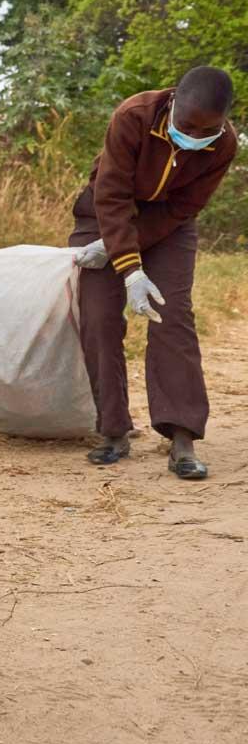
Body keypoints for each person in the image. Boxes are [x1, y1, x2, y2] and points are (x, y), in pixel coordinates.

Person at [69, 67, 237, 481]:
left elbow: (184, 208)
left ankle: (182, 436)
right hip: (104, 210)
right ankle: (113, 431)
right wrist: (123, 260)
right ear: (173, 100)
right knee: (98, 314)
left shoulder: (225, 144)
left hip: (170, 224)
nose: (196, 137)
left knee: (173, 315)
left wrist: (124, 253)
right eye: (187, 126)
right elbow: (111, 192)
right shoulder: (134, 116)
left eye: (207, 129)